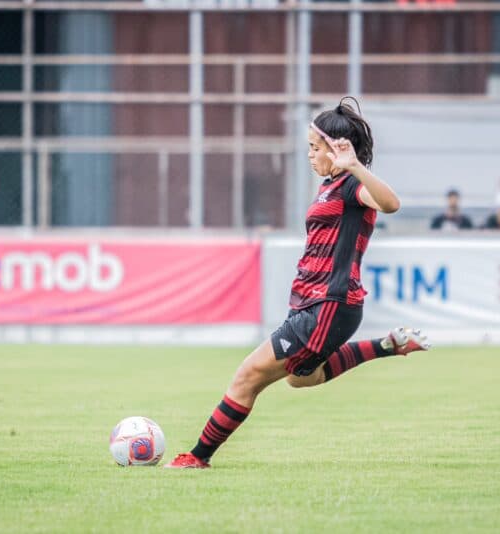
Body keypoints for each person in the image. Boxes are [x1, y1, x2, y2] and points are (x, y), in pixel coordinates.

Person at [164, 96, 431, 469]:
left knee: (247, 376)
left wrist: (354, 166)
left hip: (328, 305)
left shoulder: (353, 188)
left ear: (336, 150)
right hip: (315, 305)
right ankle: (387, 346)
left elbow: (391, 204)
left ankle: (196, 457)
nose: (309, 154)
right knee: (300, 379)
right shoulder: (329, 186)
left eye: (313, 147)